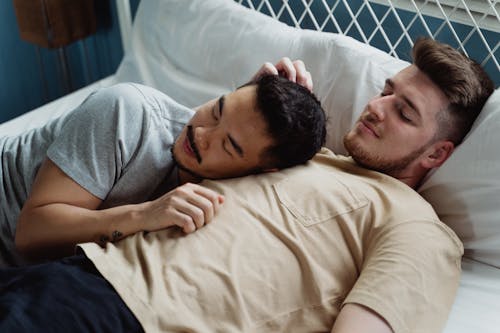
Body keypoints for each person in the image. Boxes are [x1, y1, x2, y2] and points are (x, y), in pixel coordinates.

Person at [0, 38, 494, 333]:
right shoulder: (311, 157)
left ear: (436, 155)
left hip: (134, 312)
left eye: (404, 113)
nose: (376, 107)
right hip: (81, 268)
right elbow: (210, 140)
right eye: (387, 91)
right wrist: (253, 98)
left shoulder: (415, 226)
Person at [0, 74, 326, 266]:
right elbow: (30, 235)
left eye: (228, 146)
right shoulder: (126, 112)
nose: (200, 134)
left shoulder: (251, 192)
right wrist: (143, 215)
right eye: (216, 110)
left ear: (262, 171)